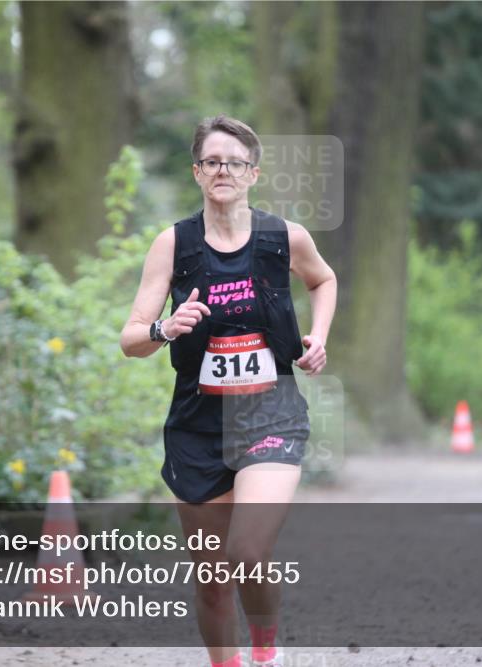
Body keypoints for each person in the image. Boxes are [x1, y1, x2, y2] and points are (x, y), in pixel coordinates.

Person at [120, 115, 337, 667]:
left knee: (247, 553)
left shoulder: (283, 237)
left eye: (234, 162)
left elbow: (323, 279)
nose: (223, 170)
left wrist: (318, 338)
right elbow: (130, 338)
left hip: (271, 415)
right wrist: (164, 329)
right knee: (213, 579)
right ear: (197, 172)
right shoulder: (173, 244)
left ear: (253, 173)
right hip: (198, 424)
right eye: (212, 161)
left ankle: (264, 654)